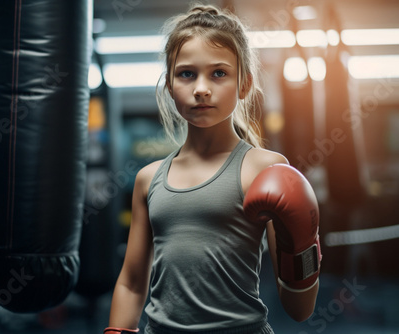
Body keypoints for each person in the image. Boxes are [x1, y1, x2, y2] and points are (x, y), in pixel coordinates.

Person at [104, 4, 321, 334]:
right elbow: (132, 283)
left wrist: (303, 243)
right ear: (169, 85)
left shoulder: (265, 168)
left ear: (244, 85)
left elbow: (299, 310)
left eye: (218, 73)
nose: (201, 88)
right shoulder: (148, 180)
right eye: (186, 74)